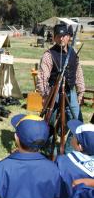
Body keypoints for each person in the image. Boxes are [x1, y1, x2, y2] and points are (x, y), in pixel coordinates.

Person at [36, 23, 85, 153]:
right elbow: (42, 77)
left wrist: (81, 91)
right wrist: (45, 95)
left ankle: (69, 150)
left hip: (71, 92)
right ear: (55, 38)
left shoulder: (73, 52)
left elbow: (78, 72)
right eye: (58, 36)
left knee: (77, 122)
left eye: (64, 36)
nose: (61, 39)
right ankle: (48, 148)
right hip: (54, 92)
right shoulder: (49, 54)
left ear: (69, 37)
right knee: (50, 122)